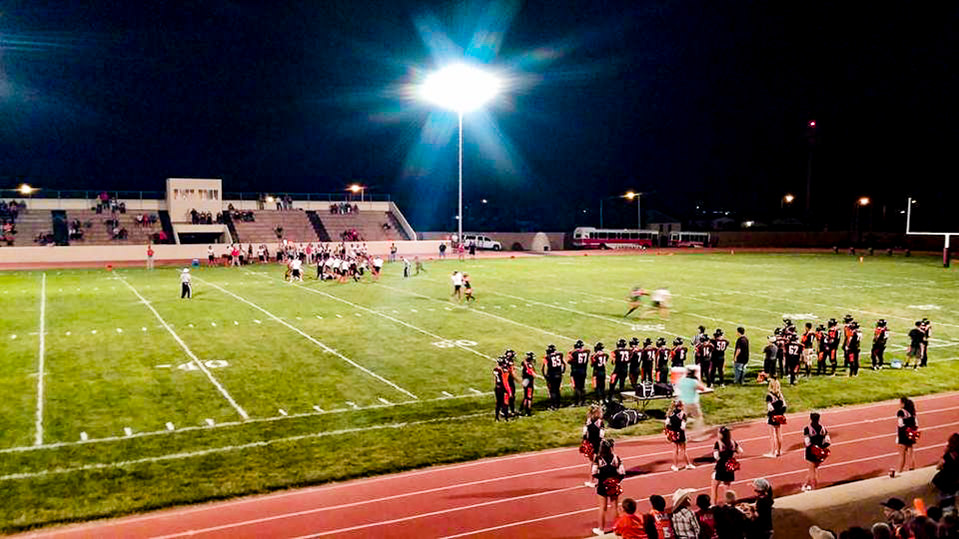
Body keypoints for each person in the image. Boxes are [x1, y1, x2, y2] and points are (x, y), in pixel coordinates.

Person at [592, 439, 626, 536]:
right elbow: (622, 472)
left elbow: (594, 473)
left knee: (602, 507)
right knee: (614, 507)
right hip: (614, 484)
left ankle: (601, 529)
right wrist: (616, 481)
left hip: (602, 485)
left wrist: (601, 479)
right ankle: (617, 529)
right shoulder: (616, 458)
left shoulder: (598, 459)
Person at [711, 426, 743, 504]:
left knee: (714, 487)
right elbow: (740, 451)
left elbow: (716, 456)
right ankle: (728, 503)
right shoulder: (732, 442)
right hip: (730, 465)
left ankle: (713, 504)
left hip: (721, 466)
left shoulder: (718, 443)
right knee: (727, 487)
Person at [802, 412, 831, 491]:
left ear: (811, 419)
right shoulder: (823, 428)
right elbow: (828, 441)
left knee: (812, 471)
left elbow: (807, 443)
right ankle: (805, 485)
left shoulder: (807, 429)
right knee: (813, 469)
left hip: (811, 452)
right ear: (819, 419)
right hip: (820, 453)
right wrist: (820, 449)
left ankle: (814, 488)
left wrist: (814, 448)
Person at [678, 366, 708, 440]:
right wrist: (699, 380)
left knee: (682, 419)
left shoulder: (682, 380)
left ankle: (680, 434)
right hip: (692, 402)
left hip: (683, 402)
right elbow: (703, 388)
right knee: (698, 418)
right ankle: (698, 435)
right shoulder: (693, 382)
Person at [665, 399, 694, 470]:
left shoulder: (670, 413)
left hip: (673, 433)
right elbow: (683, 427)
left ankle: (675, 466)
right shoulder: (682, 414)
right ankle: (688, 464)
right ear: (680, 406)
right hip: (680, 433)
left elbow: (667, 423)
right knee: (683, 450)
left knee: (675, 450)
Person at [895, 397, 919, 475]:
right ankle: (912, 469)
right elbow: (916, 424)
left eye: (900, 402)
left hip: (903, 435)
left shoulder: (901, 412)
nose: (899, 404)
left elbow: (900, 424)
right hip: (911, 433)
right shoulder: (912, 412)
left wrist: (898, 436)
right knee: (911, 453)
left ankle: (899, 471)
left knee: (902, 454)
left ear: (903, 404)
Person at [582, 404, 605, 487]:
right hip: (597, 444)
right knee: (596, 463)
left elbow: (584, 433)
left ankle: (592, 480)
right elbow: (601, 435)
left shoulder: (588, 421)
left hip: (590, 443)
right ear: (597, 413)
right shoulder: (600, 422)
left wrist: (584, 442)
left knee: (593, 463)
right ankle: (595, 480)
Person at [764, 379, 787, 457]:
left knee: (772, 435)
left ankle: (773, 452)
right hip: (779, 416)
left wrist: (771, 415)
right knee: (779, 434)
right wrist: (780, 414)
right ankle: (779, 451)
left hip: (772, 416)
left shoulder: (769, 396)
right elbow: (784, 406)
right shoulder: (780, 395)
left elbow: (770, 408)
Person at [933, 433, 959, 500]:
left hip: (948, 480)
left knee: (938, 480)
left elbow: (938, 467)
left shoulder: (947, 456)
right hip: (956, 478)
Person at [542, 344, 566, 409]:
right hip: (559, 374)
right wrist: (563, 371)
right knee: (557, 390)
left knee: (552, 391)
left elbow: (545, 367)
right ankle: (558, 404)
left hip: (551, 375)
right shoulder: (560, 355)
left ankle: (553, 405)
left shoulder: (547, 357)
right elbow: (564, 363)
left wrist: (545, 375)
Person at [568, 340, 591, 407]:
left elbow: (569, 361)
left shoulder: (574, 353)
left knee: (576, 387)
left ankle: (576, 402)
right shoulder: (587, 352)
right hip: (583, 371)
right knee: (582, 387)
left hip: (576, 371)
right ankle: (583, 401)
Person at [493, 356, 512, 421]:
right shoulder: (504, 370)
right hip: (503, 388)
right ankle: (506, 418)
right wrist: (509, 391)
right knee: (505, 403)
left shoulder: (496, 369)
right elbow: (505, 381)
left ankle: (496, 418)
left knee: (498, 403)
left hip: (497, 387)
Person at [520, 352, 537, 416]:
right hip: (528, 380)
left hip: (525, 380)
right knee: (529, 397)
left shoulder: (524, 362)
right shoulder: (528, 364)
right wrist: (537, 376)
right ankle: (528, 411)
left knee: (525, 396)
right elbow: (531, 372)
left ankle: (521, 409)